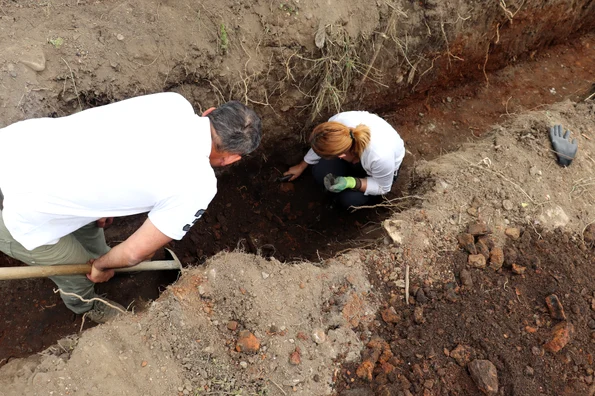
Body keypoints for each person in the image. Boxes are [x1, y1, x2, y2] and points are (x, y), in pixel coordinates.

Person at [0, 92, 262, 323]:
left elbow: (114, 136)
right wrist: (101, 267)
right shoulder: (197, 185)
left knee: (94, 232)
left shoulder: (172, 103)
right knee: (80, 274)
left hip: (16, 147)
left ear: (209, 113)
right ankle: (86, 303)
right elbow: (135, 253)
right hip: (20, 214)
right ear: (230, 159)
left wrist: (108, 205)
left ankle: (100, 255)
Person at [285, 111, 405, 209]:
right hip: (354, 155)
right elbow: (322, 146)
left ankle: (366, 201)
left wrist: (351, 182)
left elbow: (382, 187)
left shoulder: (380, 157)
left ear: (341, 154)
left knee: (349, 200)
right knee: (320, 172)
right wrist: (301, 166)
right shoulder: (336, 125)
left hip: (379, 173)